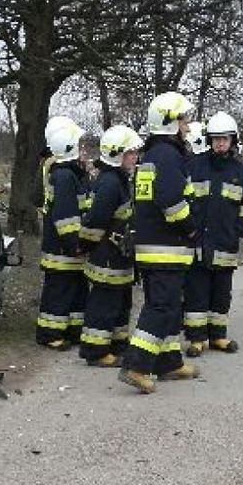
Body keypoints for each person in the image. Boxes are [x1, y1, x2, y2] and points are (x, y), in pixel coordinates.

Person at [119, 91, 200, 394]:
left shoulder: (154, 154)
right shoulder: (167, 155)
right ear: (170, 122)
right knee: (161, 306)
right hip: (166, 247)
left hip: (156, 246)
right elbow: (171, 201)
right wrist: (191, 229)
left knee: (169, 305)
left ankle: (168, 362)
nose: (187, 126)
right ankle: (136, 366)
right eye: (183, 120)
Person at [182, 111, 243, 356]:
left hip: (226, 244)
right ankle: (196, 339)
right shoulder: (193, 166)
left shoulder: (242, 172)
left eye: (224, 139)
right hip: (197, 243)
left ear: (233, 140)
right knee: (196, 294)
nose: (220, 143)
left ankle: (218, 337)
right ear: (209, 140)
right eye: (216, 139)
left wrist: (238, 230)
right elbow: (182, 200)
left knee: (221, 295)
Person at [78, 125, 142, 367]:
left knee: (121, 302)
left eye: (135, 152)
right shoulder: (110, 183)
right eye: (130, 153)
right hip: (107, 255)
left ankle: (117, 344)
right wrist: (85, 245)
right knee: (104, 304)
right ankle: (95, 350)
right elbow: (95, 221)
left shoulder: (120, 179)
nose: (135, 157)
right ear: (116, 154)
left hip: (119, 254)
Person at [36, 116, 90, 350]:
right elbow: (66, 217)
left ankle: (73, 330)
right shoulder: (65, 176)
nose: (83, 150)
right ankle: (49, 333)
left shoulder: (67, 173)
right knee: (59, 292)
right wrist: (75, 244)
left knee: (75, 290)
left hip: (65, 247)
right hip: (63, 248)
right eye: (79, 145)